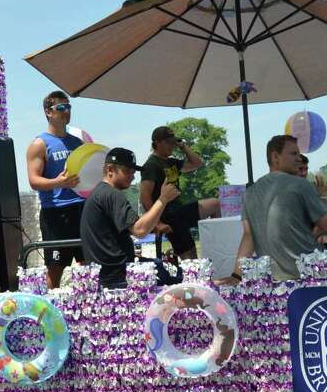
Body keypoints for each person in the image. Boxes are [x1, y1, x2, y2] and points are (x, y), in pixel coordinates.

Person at [230, 135, 327, 281]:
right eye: (293, 153)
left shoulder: (249, 193)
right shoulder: (300, 185)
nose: (298, 158)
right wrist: (322, 198)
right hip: (312, 270)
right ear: (275, 157)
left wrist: (236, 275)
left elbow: (248, 236)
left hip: (273, 277)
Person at [81, 148, 180, 289]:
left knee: (163, 268)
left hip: (105, 274)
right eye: (127, 171)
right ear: (110, 170)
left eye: (133, 172)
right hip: (117, 276)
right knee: (177, 277)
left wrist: (155, 222)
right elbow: (140, 230)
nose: (132, 176)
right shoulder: (112, 195)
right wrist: (163, 199)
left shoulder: (99, 193)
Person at [26, 91, 87, 289]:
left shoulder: (77, 143)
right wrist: (58, 182)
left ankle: (89, 307)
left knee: (88, 264)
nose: (66, 112)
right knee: (55, 266)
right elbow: (34, 181)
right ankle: (52, 308)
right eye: (61, 108)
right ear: (48, 112)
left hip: (81, 208)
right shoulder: (39, 144)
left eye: (68, 107)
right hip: (55, 212)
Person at [139, 126, 220, 260]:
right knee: (190, 255)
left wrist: (183, 146)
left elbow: (198, 163)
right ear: (157, 142)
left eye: (173, 142)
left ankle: (217, 247)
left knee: (215, 204)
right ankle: (192, 275)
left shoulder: (171, 162)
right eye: (168, 142)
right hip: (167, 217)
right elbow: (145, 197)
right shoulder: (151, 165)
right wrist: (157, 223)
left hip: (179, 210)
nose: (172, 146)